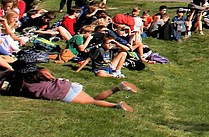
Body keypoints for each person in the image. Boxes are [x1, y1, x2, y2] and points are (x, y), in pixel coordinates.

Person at [0, 49, 138, 111]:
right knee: (92, 98)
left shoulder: (17, 79)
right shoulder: (42, 71)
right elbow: (52, 78)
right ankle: (118, 87)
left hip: (59, 93)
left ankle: (116, 106)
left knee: (92, 102)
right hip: (65, 84)